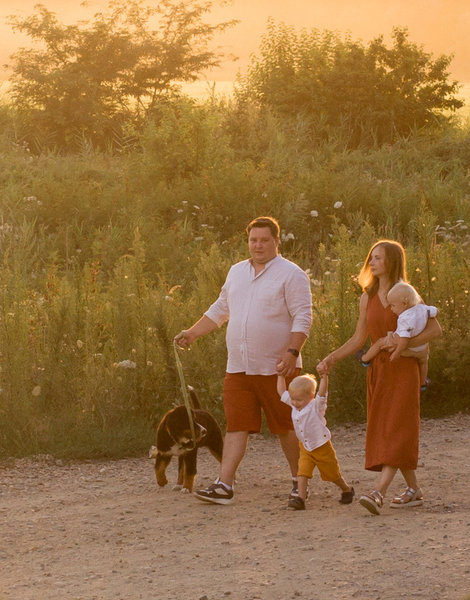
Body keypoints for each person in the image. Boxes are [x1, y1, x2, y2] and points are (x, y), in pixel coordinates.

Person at [174, 215, 312, 506]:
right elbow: (221, 309)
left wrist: (292, 352)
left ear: (277, 241)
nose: (258, 245)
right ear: (247, 241)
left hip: (278, 367)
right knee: (236, 425)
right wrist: (192, 332)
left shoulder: (291, 274)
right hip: (238, 366)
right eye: (253, 240)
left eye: (264, 240)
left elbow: (303, 316)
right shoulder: (236, 271)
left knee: (286, 426)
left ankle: (298, 483)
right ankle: (224, 485)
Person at [318, 238, 433, 513]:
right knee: (387, 428)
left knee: (396, 427)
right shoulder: (366, 297)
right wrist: (331, 358)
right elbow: (359, 338)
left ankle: (378, 492)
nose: (371, 261)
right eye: (371, 256)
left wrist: (403, 344)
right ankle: (414, 490)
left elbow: (433, 330)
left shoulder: (407, 294)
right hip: (379, 372)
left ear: (392, 261)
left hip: (404, 369)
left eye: (378, 257)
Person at [282, 371, 353, 508]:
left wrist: (324, 377)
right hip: (305, 446)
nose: (295, 402)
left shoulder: (316, 406)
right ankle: (300, 499)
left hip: (321, 446)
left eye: (299, 399)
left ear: (311, 396)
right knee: (302, 472)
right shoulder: (294, 404)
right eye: (293, 399)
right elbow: (281, 391)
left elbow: (322, 393)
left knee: (332, 474)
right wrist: (280, 376)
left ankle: (346, 489)